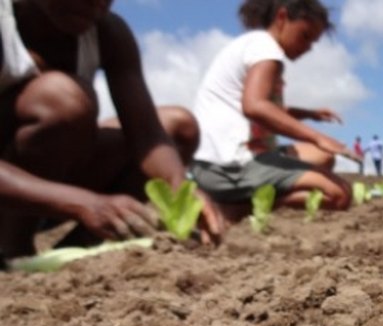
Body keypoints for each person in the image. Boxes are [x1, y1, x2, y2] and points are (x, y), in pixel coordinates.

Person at [0, 0, 224, 258]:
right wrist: (82, 203)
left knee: (177, 128)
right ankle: (12, 249)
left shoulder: (108, 33)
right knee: (62, 100)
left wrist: (182, 188)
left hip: (53, 187)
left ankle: (83, 251)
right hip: (12, 191)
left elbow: (147, 135)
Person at [191, 0, 352, 221]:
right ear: (282, 18)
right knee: (339, 194)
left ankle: (245, 198)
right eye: (305, 36)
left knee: (323, 157)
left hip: (219, 162)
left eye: (313, 43)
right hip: (230, 166)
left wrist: (309, 114)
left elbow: (269, 110)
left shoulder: (254, 45)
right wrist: (317, 136)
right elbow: (255, 107)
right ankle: (235, 209)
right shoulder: (265, 49)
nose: (307, 48)